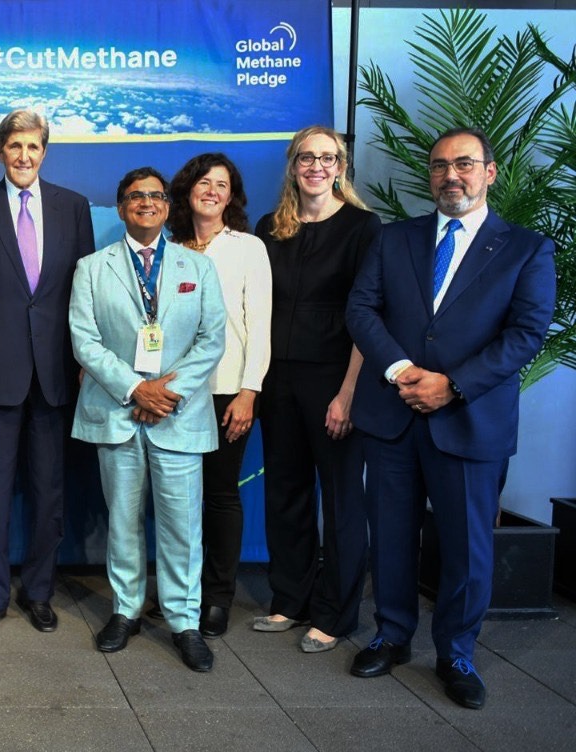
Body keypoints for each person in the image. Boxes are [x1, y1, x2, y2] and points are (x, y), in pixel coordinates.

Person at [346, 128, 555, 709]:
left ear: (490, 172)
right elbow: (361, 309)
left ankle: (457, 653)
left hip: (470, 420)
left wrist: (452, 386)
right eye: (440, 167)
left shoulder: (525, 248)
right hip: (392, 413)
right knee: (389, 535)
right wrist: (401, 372)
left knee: (467, 547)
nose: (451, 176)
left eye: (464, 164)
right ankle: (391, 635)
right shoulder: (395, 240)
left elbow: (526, 334)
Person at [69, 166, 226, 670]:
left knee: (182, 525)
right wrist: (136, 388)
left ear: (166, 206)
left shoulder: (196, 267)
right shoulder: (92, 268)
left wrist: (164, 394)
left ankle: (184, 621)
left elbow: (212, 339)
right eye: (136, 196)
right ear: (121, 207)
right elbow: (84, 341)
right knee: (123, 521)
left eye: (155, 196)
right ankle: (126, 609)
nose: (146, 203)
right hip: (118, 413)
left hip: (177, 417)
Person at [0, 109, 96, 638]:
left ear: (44, 151)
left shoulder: (73, 208)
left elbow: (85, 295)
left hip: (57, 369)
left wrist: (84, 360)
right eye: (14, 146)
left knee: (48, 490)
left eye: (33, 147)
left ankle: (39, 591)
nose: (23, 156)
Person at [253, 126, 381, 654]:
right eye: (306, 156)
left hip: (335, 379)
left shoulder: (363, 227)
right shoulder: (271, 227)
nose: (316, 165)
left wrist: (348, 392)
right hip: (276, 380)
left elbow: (367, 314)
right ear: (293, 165)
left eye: (327, 157)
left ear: (341, 167)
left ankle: (335, 614)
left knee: (343, 500)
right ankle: (291, 599)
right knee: (285, 493)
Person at [162, 153, 271, 638]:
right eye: (203, 182)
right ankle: (178, 594)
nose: (211, 190)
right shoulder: (164, 248)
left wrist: (249, 392)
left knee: (221, 497)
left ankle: (217, 598)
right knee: (176, 500)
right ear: (187, 191)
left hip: (227, 392)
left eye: (221, 184)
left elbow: (259, 326)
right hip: (173, 395)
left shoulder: (248, 248)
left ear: (232, 196)